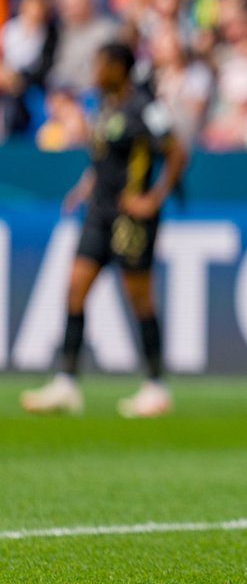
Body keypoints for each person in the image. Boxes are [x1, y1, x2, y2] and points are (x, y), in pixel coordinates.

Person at [21, 42, 188, 418]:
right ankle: (66, 382)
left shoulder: (146, 108)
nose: (95, 70)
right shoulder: (105, 107)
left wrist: (154, 198)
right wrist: (86, 185)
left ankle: (155, 385)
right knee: (75, 287)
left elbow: (177, 151)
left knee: (140, 298)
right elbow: (107, 158)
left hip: (132, 217)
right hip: (99, 213)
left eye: (101, 63)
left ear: (119, 68)